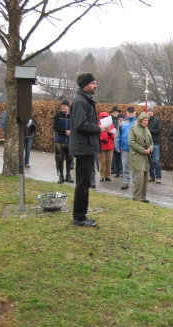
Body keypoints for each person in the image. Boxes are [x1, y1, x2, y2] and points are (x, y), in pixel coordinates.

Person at [69, 73, 108, 227]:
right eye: (93, 83)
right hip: (83, 148)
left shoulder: (86, 100)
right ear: (85, 85)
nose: (96, 86)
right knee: (82, 184)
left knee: (84, 183)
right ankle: (79, 217)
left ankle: (81, 216)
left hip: (87, 147)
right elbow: (80, 125)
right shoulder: (80, 101)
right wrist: (98, 128)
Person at [129, 112, 153, 203]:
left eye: (147, 121)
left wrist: (150, 149)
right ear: (140, 120)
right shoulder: (133, 129)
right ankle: (136, 196)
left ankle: (143, 196)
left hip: (146, 157)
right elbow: (131, 142)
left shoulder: (147, 130)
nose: (146, 122)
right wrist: (142, 150)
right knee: (139, 176)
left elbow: (151, 142)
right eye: (145, 120)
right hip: (137, 156)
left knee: (145, 176)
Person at [116, 106, 137, 190]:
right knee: (125, 166)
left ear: (135, 113)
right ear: (127, 113)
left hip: (136, 149)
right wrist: (117, 146)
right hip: (125, 148)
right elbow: (117, 136)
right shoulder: (122, 123)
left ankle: (136, 181)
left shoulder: (138, 123)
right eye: (129, 112)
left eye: (132, 112)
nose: (131, 113)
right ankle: (125, 181)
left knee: (135, 166)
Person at [53, 100, 74, 184]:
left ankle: (68, 175)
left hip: (70, 141)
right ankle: (61, 176)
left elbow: (76, 126)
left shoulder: (73, 116)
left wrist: (71, 132)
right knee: (59, 158)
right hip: (60, 141)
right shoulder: (57, 116)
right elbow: (55, 126)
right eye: (62, 106)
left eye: (64, 106)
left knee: (70, 159)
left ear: (68, 107)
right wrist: (65, 131)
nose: (63, 107)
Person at [147, 106, 162, 183]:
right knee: (149, 160)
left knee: (156, 160)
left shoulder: (157, 120)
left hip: (155, 143)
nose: (150, 112)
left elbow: (159, 131)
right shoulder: (145, 121)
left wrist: (149, 130)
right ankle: (151, 176)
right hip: (148, 143)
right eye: (148, 111)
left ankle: (158, 177)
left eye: (151, 111)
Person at [98, 111, 115, 182]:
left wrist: (109, 133)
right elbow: (97, 135)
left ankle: (107, 176)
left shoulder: (111, 126)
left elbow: (113, 135)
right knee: (102, 162)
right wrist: (101, 139)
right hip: (102, 146)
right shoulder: (98, 125)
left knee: (109, 162)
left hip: (110, 146)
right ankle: (102, 176)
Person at [110, 106, 123, 178]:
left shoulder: (121, 121)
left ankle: (120, 169)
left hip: (118, 140)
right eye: (114, 112)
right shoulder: (110, 120)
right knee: (114, 156)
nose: (115, 113)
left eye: (116, 112)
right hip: (112, 140)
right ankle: (114, 169)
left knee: (120, 157)